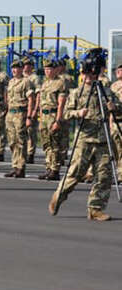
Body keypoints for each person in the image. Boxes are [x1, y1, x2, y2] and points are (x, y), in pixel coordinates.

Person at [49, 61, 121, 221]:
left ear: (96, 74)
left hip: (103, 139)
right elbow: (66, 113)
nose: (87, 76)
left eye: (90, 73)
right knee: (75, 174)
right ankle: (58, 196)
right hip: (84, 139)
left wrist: (114, 107)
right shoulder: (77, 92)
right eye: (84, 73)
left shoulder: (106, 92)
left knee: (104, 176)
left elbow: (119, 107)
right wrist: (78, 113)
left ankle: (95, 209)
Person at [36, 60, 69, 180]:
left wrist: (58, 120)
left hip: (53, 115)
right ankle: (48, 167)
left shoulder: (60, 83)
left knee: (55, 143)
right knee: (46, 143)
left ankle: (55, 169)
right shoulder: (45, 83)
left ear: (55, 70)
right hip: (44, 116)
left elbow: (61, 104)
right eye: (46, 69)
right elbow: (41, 103)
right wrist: (40, 118)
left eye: (50, 69)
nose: (47, 71)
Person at [4, 60, 34, 178]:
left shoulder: (26, 82)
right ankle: (15, 165)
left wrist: (29, 116)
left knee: (20, 141)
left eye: (16, 68)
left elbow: (31, 99)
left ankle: (21, 167)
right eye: (13, 68)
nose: (14, 70)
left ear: (22, 69)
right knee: (12, 141)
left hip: (20, 113)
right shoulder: (11, 82)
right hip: (10, 113)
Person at [23, 58, 42, 164]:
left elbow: (38, 95)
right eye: (24, 64)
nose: (25, 66)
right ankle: (23, 152)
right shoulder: (21, 77)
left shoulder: (35, 78)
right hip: (22, 108)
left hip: (31, 107)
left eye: (27, 64)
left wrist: (35, 109)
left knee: (31, 132)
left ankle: (30, 153)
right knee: (22, 132)